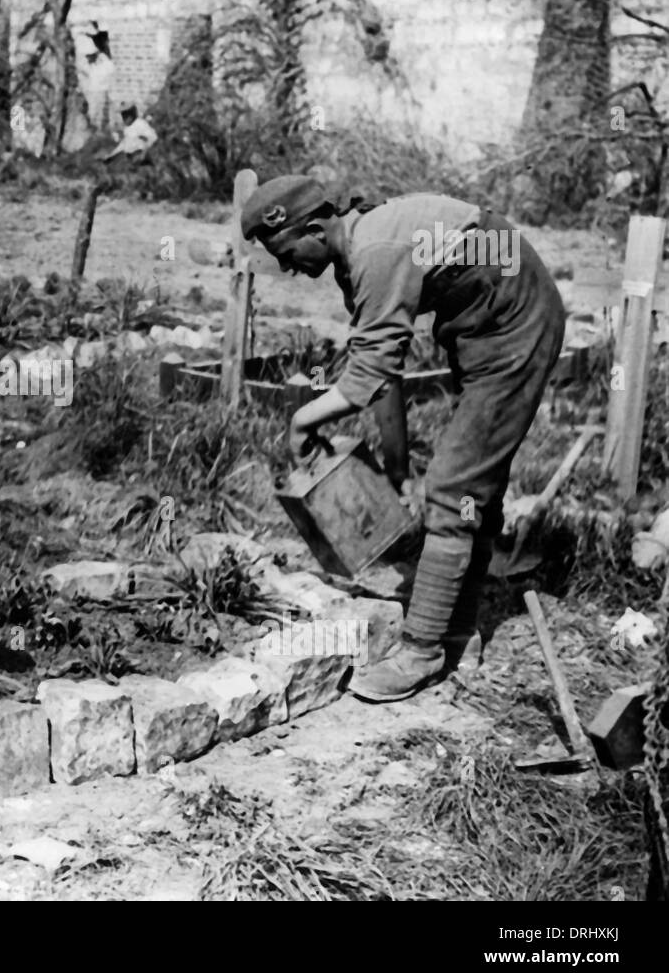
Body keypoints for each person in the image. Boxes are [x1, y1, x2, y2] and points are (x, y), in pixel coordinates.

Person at [240, 175, 566, 702]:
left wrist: (302, 422)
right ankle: (459, 634)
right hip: (483, 329)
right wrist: (397, 470)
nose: (286, 267)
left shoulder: (375, 251)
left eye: (286, 252)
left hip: (516, 327)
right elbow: (383, 373)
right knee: (468, 490)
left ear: (316, 228)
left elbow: (366, 375)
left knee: (452, 488)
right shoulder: (357, 256)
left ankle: (421, 651)